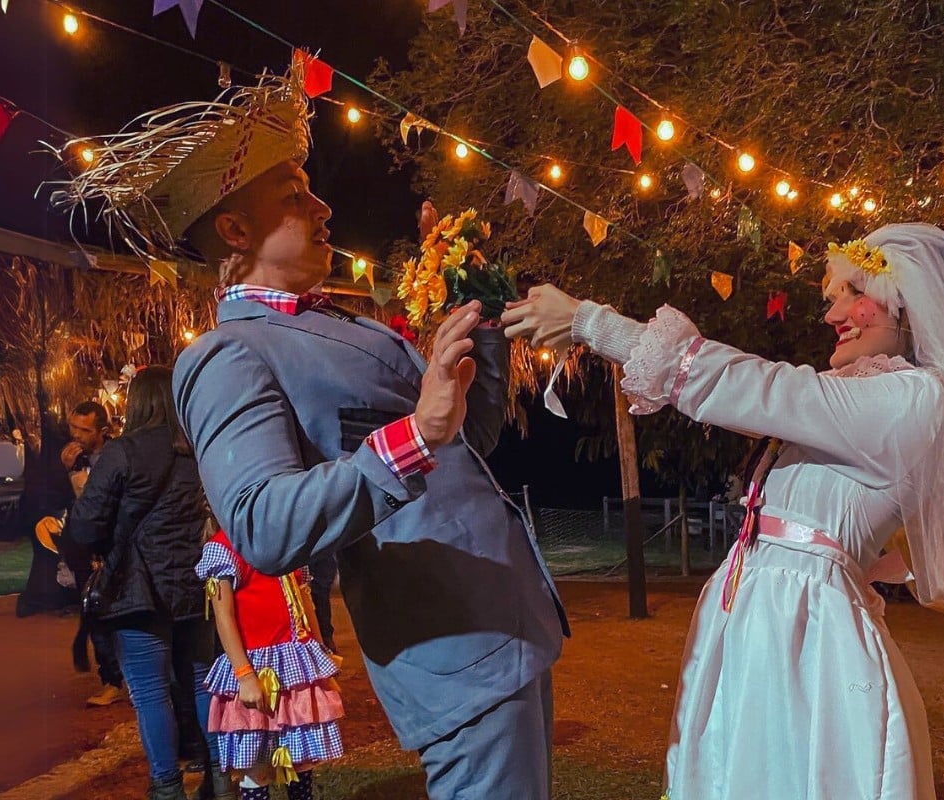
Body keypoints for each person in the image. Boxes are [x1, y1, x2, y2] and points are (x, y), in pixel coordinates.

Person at [48, 70, 567, 800]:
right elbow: (260, 522)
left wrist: (474, 319)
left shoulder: (338, 323)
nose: (323, 206)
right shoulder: (227, 354)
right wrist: (416, 430)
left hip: (506, 619)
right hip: (451, 646)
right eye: (294, 195)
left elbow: (463, 445)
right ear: (235, 230)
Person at [502, 223, 944, 798]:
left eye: (853, 295)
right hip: (768, 617)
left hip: (803, 634)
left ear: (908, 308)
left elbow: (761, 389)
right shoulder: (869, 395)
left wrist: (590, 322)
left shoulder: (913, 399)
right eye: (833, 298)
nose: (833, 315)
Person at [63, 367, 231, 800]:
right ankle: (220, 782)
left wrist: (98, 547)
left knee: (152, 693)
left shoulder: (123, 453)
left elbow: (83, 525)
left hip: (137, 591)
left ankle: (166, 787)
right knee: (201, 685)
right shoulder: (195, 451)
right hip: (194, 586)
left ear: (137, 402)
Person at [198, 528, 344, 799]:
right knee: (256, 763)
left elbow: (304, 598)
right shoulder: (225, 547)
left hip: (295, 666)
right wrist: (244, 675)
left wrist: (320, 649)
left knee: (300, 760)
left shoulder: (286, 540)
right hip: (255, 668)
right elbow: (223, 616)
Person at [55, 401, 127, 707]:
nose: (76, 435)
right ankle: (111, 679)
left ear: (103, 431)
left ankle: (123, 676)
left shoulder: (116, 456)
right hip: (85, 549)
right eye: (73, 427)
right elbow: (66, 504)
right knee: (94, 612)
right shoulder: (72, 458)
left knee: (118, 614)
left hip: (114, 547)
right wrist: (66, 472)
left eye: (84, 429)